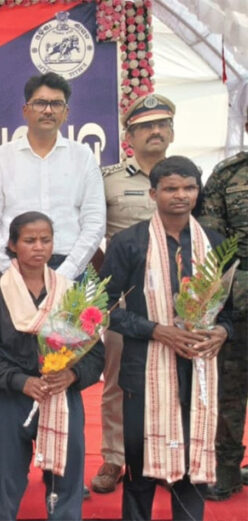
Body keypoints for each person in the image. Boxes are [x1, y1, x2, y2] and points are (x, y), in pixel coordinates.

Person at [101, 156, 233, 520]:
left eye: (189, 188)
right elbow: (103, 307)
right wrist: (157, 330)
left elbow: (230, 312)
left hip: (198, 372)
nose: (181, 196)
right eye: (171, 188)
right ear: (152, 193)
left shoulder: (215, 244)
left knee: (192, 468)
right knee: (140, 468)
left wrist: (222, 332)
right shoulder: (129, 242)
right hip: (144, 370)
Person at [0, 211, 105, 520]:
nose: (38, 247)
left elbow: (95, 353)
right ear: (12, 245)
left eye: (46, 240)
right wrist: (19, 381)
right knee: (3, 479)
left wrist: (72, 375)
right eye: (29, 240)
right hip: (10, 398)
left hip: (61, 395)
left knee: (66, 481)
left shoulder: (70, 292)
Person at [92, 93, 176, 494]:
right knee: (117, 379)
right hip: (124, 297)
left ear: (172, 132)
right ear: (129, 136)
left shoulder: (187, 175)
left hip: (177, 298)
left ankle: (164, 457)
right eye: (145, 126)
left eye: (161, 125)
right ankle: (114, 457)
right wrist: (106, 279)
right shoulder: (108, 179)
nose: (155, 132)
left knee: (171, 377)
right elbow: (90, 231)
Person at [0, 72, 106, 281]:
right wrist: (11, 271)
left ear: (66, 112)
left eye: (56, 104)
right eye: (40, 103)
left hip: (70, 266)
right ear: (25, 110)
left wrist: (67, 272)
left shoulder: (83, 157)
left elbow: (95, 222)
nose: (48, 110)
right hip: (12, 268)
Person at [199, 132, 248, 501]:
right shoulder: (228, 174)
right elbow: (213, 244)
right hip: (239, 305)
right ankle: (227, 470)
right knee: (229, 392)